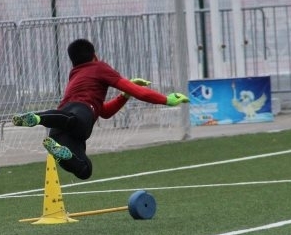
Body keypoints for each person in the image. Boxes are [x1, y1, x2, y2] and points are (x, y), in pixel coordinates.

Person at [12, 38, 189, 180]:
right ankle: (36, 118)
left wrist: (124, 96)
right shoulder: (99, 67)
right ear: (95, 56)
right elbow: (139, 91)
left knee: (84, 169)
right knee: (74, 120)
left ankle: (60, 150)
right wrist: (166, 100)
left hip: (58, 129)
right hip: (78, 116)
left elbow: (104, 112)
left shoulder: (75, 73)